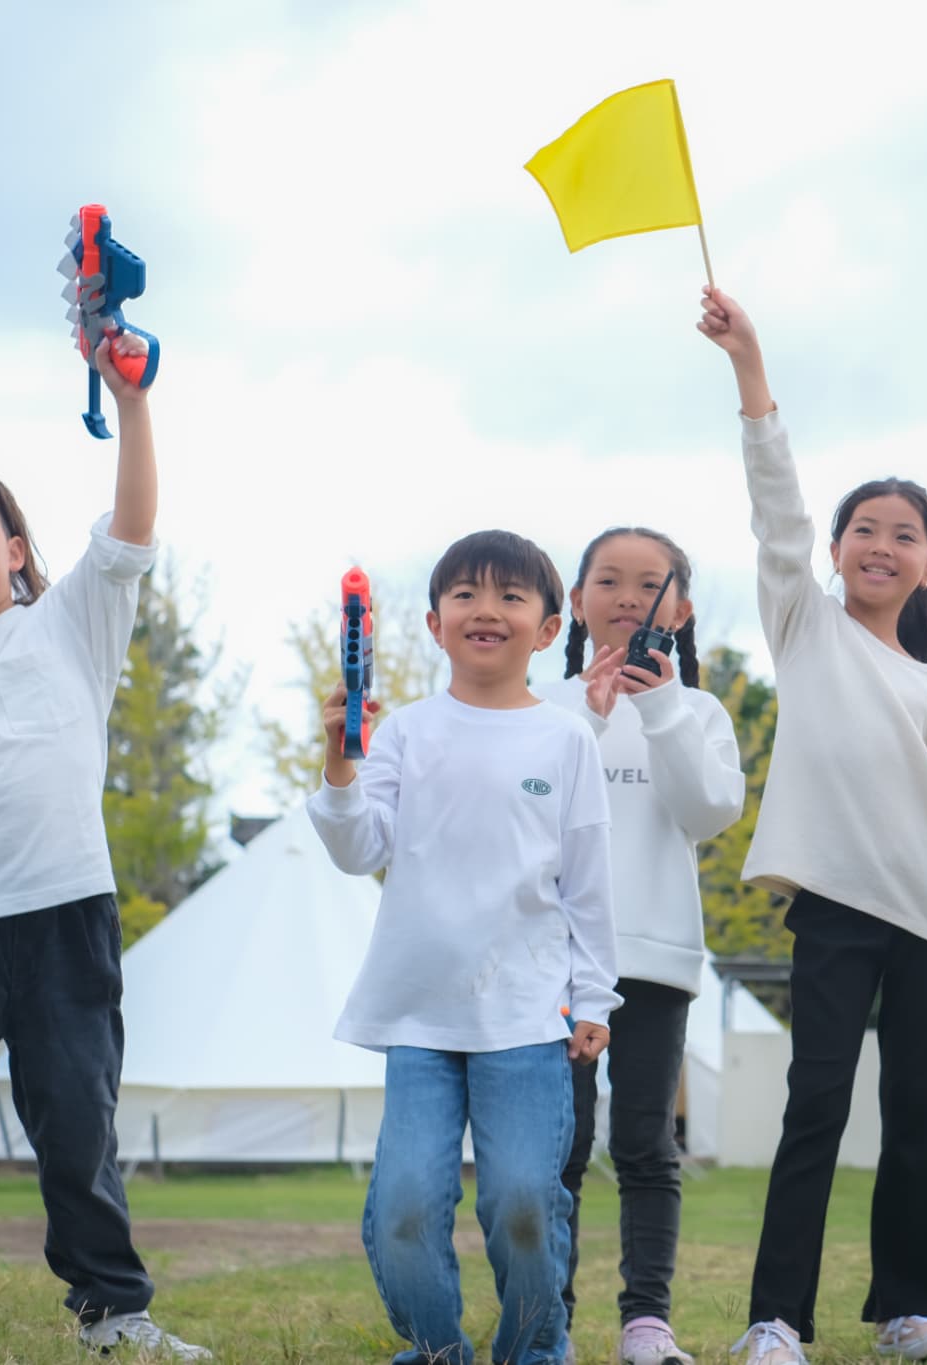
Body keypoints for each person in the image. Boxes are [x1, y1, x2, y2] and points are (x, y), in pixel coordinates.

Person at [698, 285, 927, 1365]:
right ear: (836, 551)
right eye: (864, 530)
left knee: (913, 1118)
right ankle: (774, 1320)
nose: (880, 545)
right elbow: (774, 509)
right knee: (816, 1106)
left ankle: (909, 1308)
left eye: (905, 536)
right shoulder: (803, 627)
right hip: (835, 910)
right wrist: (752, 371)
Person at [0, 336, 212, 1363]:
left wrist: (130, 401)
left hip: (65, 913)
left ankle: (112, 1313)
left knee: (77, 1131)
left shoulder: (72, 624)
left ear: (15, 547)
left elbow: (130, 527)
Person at [308, 530, 620, 1365]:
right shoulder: (405, 732)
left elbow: (588, 886)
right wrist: (340, 763)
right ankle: (437, 1349)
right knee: (406, 1205)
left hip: (526, 1016)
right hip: (417, 1014)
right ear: (433, 622)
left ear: (551, 628)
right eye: (466, 595)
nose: (487, 610)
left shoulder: (566, 740)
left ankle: (533, 1349)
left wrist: (595, 998)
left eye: (512, 596)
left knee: (523, 1201)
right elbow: (356, 849)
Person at [544, 527, 745, 1365]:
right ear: (574, 603)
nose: (629, 597)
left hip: (657, 959)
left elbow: (709, 813)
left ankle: (646, 1322)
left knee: (644, 1145)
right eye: (609, 580)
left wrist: (659, 707)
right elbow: (534, 815)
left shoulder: (698, 711)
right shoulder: (540, 706)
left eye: (651, 584)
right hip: (554, 961)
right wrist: (589, 722)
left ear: (682, 608)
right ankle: (544, 1313)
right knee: (554, 1148)